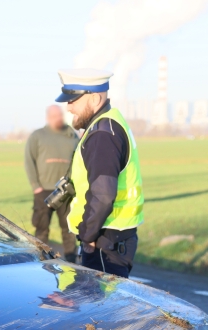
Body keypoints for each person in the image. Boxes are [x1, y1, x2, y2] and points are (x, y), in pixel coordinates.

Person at [54, 68, 144, 278]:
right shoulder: (109, 123)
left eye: (73, 100)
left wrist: (88, 235)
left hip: (104, 242)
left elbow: (103, 194)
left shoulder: (102, 135)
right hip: (112, 238)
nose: (69, 108)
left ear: (94, 99)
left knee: (99, 307)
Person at [25, 105, 78, 261]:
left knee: (69, 228)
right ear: (48, 118)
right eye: (54, 116)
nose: (59, 118)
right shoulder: (37, 136)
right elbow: (29, 161)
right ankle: (40, 259)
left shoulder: (71, 135)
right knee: (41, 228)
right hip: (44, 190)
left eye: (60, 115)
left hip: (66, 190)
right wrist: (36, 187)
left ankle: (71, 259)